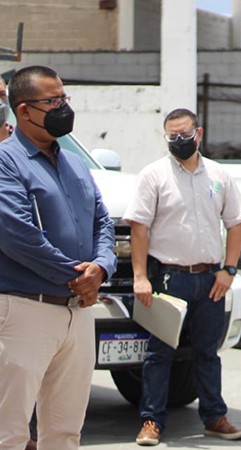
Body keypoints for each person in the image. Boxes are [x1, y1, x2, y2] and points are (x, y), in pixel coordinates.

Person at [0, 65, 117, 449]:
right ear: (24, 111)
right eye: (52, 101)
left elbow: (103, 220)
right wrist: (77, 276)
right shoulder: (6, 161)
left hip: (78, 312)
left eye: (64, 98)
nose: (63, 107)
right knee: (9, 432)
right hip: (23, 310)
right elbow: (16, 234)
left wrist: (100, 268)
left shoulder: (75, 163)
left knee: (65, 431)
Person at [124, 108, 241, 446]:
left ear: (199, 134)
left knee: (207, 352)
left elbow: (236, 224)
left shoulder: (220, 174)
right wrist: (140, 276)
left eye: (185, 134)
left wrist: (229, 269)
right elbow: (139, 227)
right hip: (169, 281)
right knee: (159, 354)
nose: (179, 141)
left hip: (211, 280)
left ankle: (214, 417)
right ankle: (152, 421)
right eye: (172, 136)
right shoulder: (154, 175)